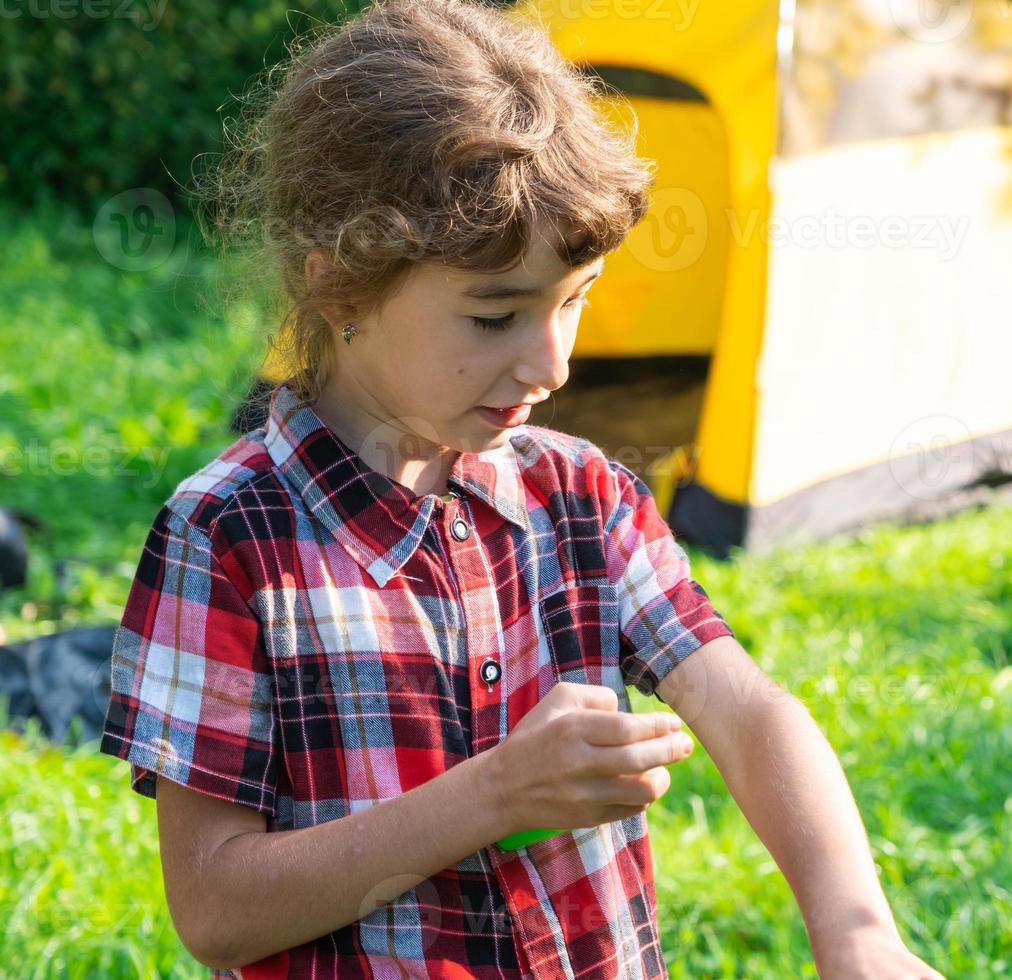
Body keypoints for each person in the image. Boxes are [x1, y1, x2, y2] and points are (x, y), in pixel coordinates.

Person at [97, 1, 945, 977]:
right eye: (494, 314)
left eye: (572, 301)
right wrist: (494, 794)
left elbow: (749, 712)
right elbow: (215, 905)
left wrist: (856, 928)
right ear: (340, 290)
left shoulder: (581, 493)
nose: (549, 362)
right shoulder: (230, 535)